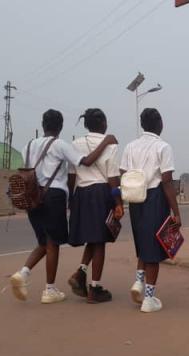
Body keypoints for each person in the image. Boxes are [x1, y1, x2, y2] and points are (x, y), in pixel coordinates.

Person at [9, 109, 114, 304]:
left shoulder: (28, 146)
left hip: (32, 196)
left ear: (43, 125)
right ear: (60, 126)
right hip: (53, 195)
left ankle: (23, 273)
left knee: (43, 242)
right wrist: (106, 141)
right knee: (53, 243)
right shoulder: (59, 145)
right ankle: (49, 289)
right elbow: (87, 161)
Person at [121, 108, 181, 313]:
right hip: (154, 197)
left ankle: (138, 281)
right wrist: (176, 212)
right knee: (154, 249)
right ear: (159, 124)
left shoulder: (130, 146)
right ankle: (149, 299)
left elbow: (123, 172)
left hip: (135, 198)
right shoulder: (163, 147)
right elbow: (167, 181)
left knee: (143, 243)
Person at [66, 108, 122, 304]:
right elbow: (113, 178)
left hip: (81, 193)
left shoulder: (75, 144)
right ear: (104, 123)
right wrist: (119, 203)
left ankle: (80, 273)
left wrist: (71, 200)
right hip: (101, 194)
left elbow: (71, 175)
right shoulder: (111, 146)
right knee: (100, 243)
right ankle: (95, 288)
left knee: (93, 238)